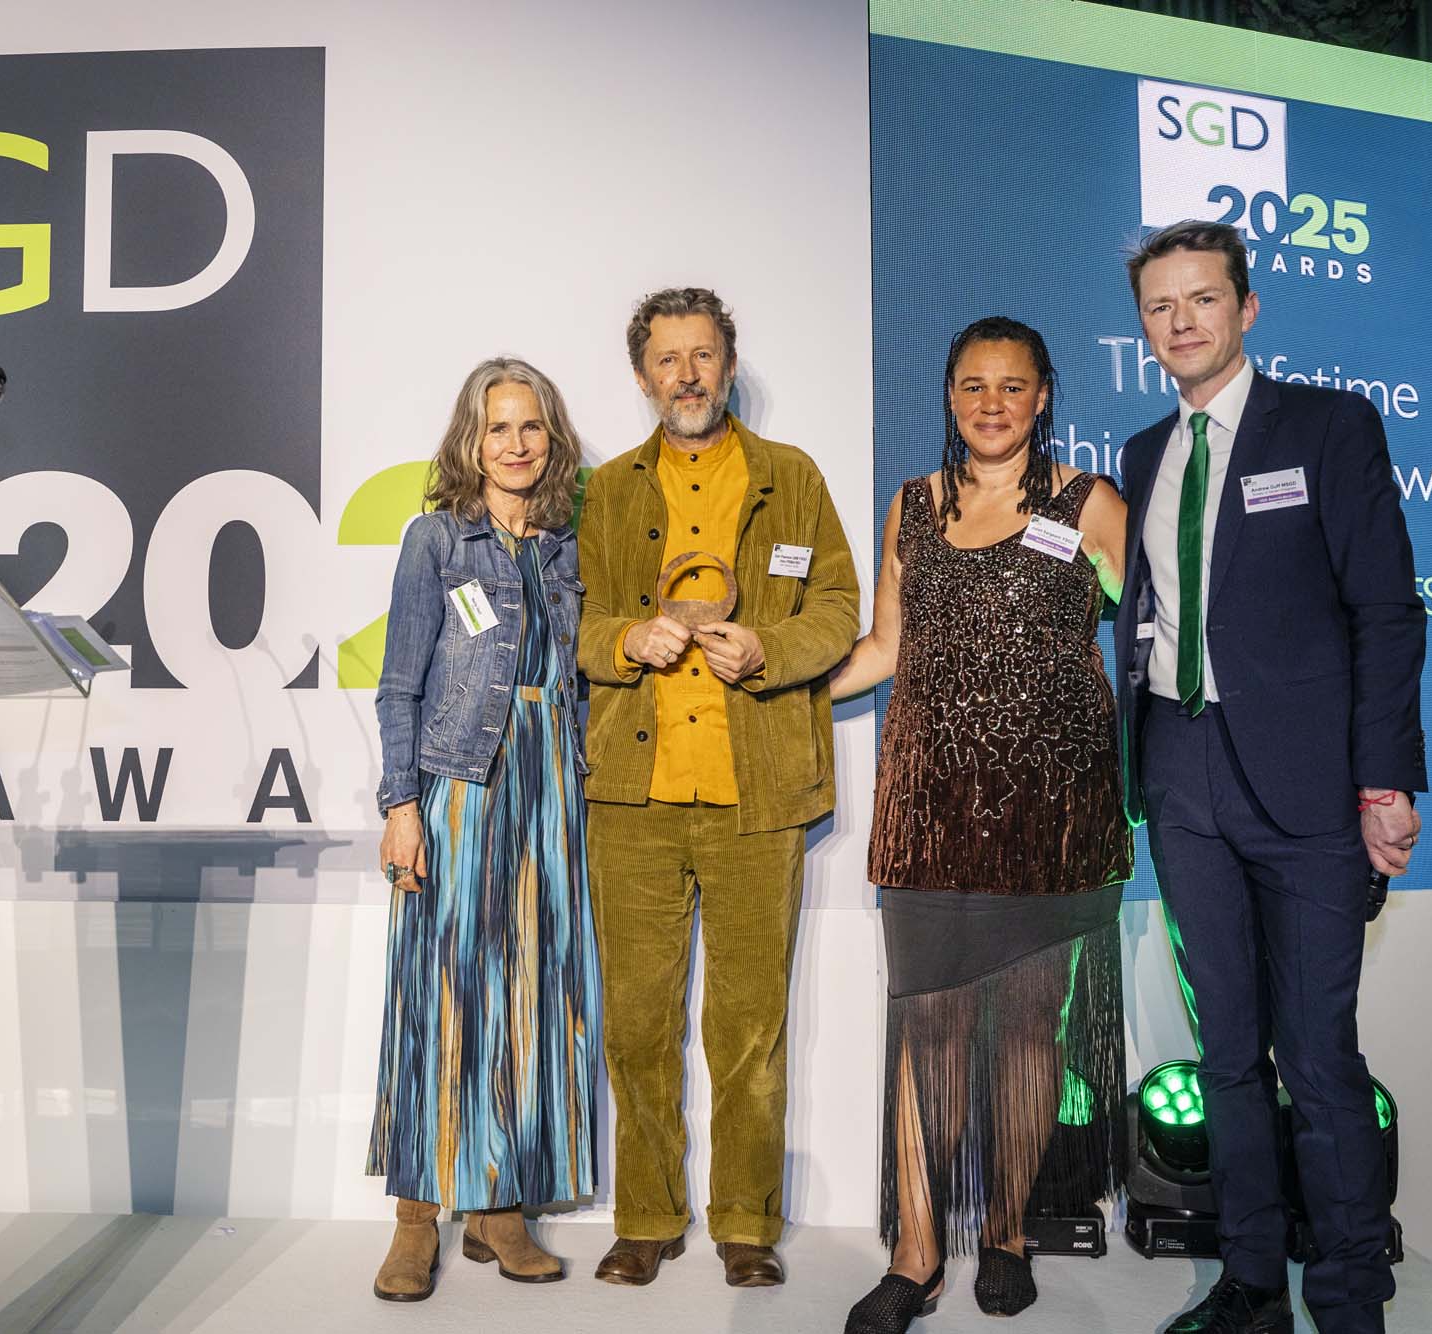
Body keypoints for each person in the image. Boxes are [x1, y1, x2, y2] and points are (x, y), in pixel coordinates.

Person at [1116, 220, 1426, 1334]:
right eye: (1160, 306)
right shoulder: (1142, 454)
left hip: (1306, 789)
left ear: (1245, 308)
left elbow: (1385, 611)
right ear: (1143, 326)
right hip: (1180, 773)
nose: (1181, 321)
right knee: (1227, 1058)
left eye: (1202, 298)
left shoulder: (1329, 427)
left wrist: (1383, 779)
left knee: (1319, 1057)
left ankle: (1347, 1300)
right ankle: (1251, 1285)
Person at [830, 317, 1132, 1333]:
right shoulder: (912, 504)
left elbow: (1157, 624)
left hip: (1054, 818)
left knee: (1029, 1030)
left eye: (1011, 386)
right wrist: (777, 691)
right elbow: (885, 647)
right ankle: (915, 1255)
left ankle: (1003, 1232)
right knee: (929, 1027)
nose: (991, 403)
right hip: (928, 812)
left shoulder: (1089, 503)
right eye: (972, 385)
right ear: (949, 395)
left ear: (1042, 396)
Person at [576, 286, 859, 1289]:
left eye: (702, 356)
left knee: (749, 1025)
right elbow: (573, 621)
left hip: (758, 796)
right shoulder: (606, 491)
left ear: (728, 366)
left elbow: (838, 606)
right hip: (633, 799)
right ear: (642, 375)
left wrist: (769, 647)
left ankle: (745, 1221)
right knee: (635, 1023)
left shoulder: (791, 475)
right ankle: (645, 1217)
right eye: (667, 358)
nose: (686, 375)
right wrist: (625, 638)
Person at [366, 356, 600, 1302]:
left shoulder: (571, 546)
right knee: (444, 995)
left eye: (530, 426)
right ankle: (417, 1217)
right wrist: (400, 807)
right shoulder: (437, 540)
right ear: (471, 439)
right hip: (459, 784)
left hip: (551, 785)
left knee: (532, 997)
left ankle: (500, 1208)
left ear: (553, 438)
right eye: (498, 427)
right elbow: (399, 686)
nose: (515, 444)